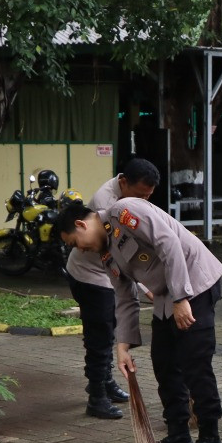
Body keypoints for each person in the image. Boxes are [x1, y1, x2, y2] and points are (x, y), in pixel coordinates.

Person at [56, 193, 222, 443]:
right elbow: (124, 296)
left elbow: (169, 243)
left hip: (194, 284)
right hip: (166, 297)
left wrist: (182, 297)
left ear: (81, 224)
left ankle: (211, 441)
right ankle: (178, 437)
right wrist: (122, 346)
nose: (81, 250)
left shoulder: (124, 212)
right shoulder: (106, 252)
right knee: (164, 363)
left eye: (75, 243)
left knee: (195, 363)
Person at [64, 159, 160, 420]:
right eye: (140, 195)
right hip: (91, 277)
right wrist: (145, 285)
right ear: (123, 182)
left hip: (108, 276)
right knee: (100, 338)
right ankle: (96, 397)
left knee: (106, 332)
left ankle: (103, 382)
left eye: (148, 196)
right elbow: (120, 251)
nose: (143, 200)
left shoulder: (128, 198)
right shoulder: (106, 203)